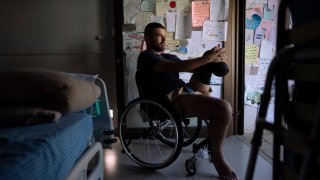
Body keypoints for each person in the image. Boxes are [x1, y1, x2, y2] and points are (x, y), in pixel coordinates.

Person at [137, 22, 238, 180]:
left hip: (183, 90)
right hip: (168, 100)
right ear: (148, 38)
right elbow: (179, 66)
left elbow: (193, 67)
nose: (163, 38)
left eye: (165, 35)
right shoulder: (146, 57)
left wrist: (210, 57)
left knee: (207, 65)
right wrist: (207, 58)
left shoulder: (168, 55)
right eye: (159, 35)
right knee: (224, 109)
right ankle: (218, 158)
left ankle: (214, 114)